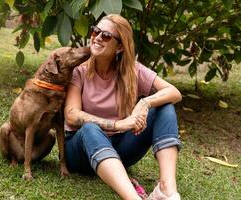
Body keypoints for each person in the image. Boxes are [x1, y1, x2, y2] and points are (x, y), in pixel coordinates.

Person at [63, 14, 182, 200]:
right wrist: (118, 124)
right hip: (79, 151)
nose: (97, 37)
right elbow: (71, 115)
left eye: (106, 35)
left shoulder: (132, 70)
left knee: (164, 107)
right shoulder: (79, 70)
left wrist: (144, 102)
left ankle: (166, 190)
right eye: (95, 31)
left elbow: (173, 92)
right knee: (90, 129)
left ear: (119, 47)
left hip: (119, 149)